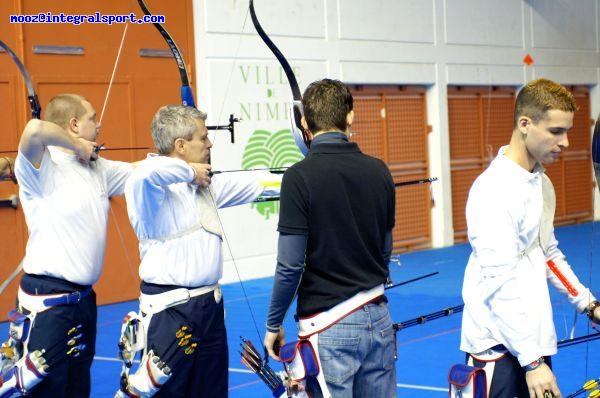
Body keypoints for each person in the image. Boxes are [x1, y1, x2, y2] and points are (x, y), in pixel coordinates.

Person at [121, 104, 280, 398]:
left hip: (210, 308)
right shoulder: (150, 191)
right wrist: (189, 171)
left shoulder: (206, 184)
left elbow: (258, 183)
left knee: (212, 391)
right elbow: (146, 174)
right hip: (171, 312)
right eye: (203, 137)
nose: (209, 143)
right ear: (180, 146)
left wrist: (308, 175)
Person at [460, 78, 600, 398]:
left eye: (567, 131)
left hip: (531, 346)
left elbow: (547, 252)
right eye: (555, 131)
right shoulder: (493, 190)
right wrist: (532, 361)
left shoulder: (541, 183)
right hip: (498, 351)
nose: (564, 142)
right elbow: (500, 283)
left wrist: (590, 305)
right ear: (525, 124)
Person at [263, 78, 397, 398]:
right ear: (350, 116)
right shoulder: (380, 170)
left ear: (305, 123)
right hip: (378, 315)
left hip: (329, 325)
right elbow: (384, 248)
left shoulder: (298, 177)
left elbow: (290, 265)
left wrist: (273, 324)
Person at [12, 93, 133, 397]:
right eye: (93, 117)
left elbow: (141, 173)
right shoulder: (41, 168)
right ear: (75, 124)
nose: (99, 122)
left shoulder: (98, 168)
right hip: (48, 303)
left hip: (83, 302)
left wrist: (186, 168)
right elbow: (34, 130)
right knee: (47, 390)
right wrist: (77, 145)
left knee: (78, 387)